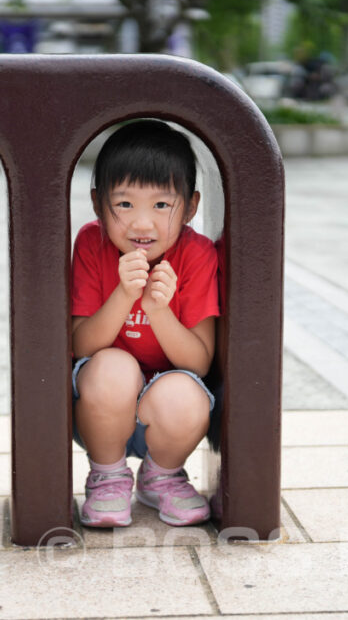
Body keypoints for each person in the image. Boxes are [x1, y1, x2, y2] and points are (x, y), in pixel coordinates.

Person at [71, 119, 219, 528]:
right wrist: (124, 294)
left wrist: (158, 310)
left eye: (160, 205)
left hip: (166, 414)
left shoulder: (197, 254)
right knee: (112, 365)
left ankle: (162, 477)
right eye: (124, 204)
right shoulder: (91, 243)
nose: (141, 224)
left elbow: (200, 362)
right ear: (99, 204)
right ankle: (108, 475)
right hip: (99, 410)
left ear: (190, 207)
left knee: (186, 393)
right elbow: (81, 345)